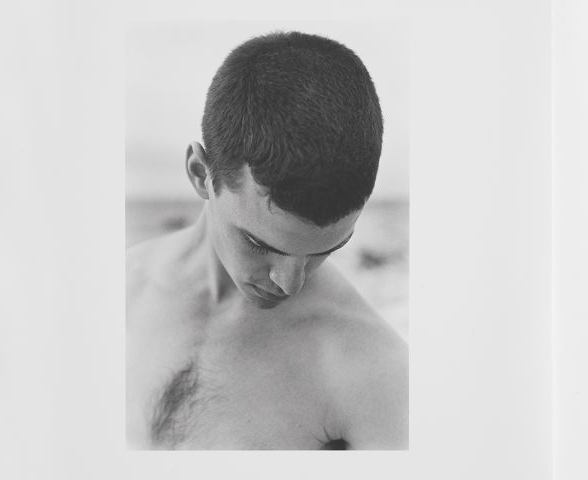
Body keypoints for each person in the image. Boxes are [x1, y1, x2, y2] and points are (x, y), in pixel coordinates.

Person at [126, 31, 408, 450]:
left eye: (326, 251)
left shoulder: (374, 372)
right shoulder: (116, 291)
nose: (289, 283)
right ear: (202, 174)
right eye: (260, 244)